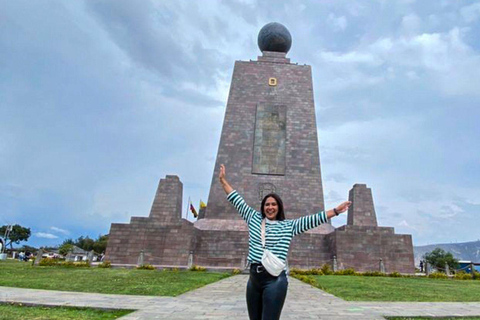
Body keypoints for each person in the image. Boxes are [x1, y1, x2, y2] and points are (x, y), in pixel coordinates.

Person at [218, 164, 352, 320]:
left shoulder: (289, 226)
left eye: (273, 204)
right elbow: (236, 199)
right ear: (263, 207)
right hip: (253, 280)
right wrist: (222, 181)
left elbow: (313, 220)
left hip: (275, 280)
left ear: (279, 207)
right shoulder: (253, 218)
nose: (270, 207)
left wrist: (335, 211)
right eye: (267, 204)